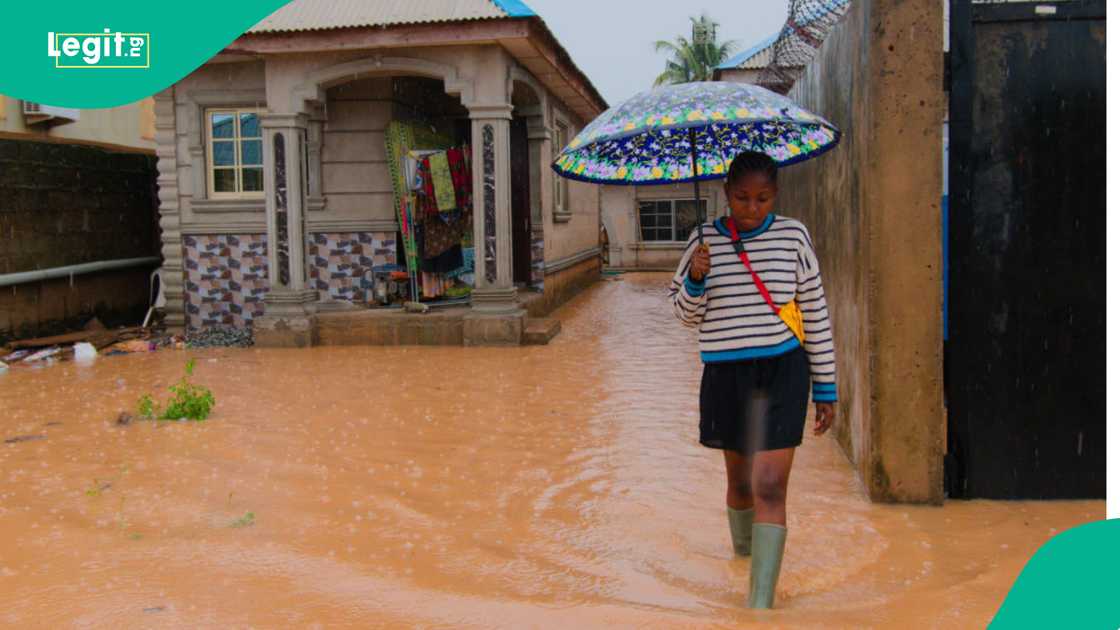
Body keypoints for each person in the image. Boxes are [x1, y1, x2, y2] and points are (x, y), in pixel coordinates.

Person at [668, 150, 837, 609]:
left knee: (768, 485)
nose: (751, 208)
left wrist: (826, 387)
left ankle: (759, 608)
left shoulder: (793, 236)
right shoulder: (701, 242)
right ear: (726, 195)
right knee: (740, 485)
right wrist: (696, 280)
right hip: (725, 375)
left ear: (775, 194)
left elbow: (815, 313)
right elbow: (683, 317)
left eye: (762, 198)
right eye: (741, 198)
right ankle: (744, 561)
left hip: (782, 371)